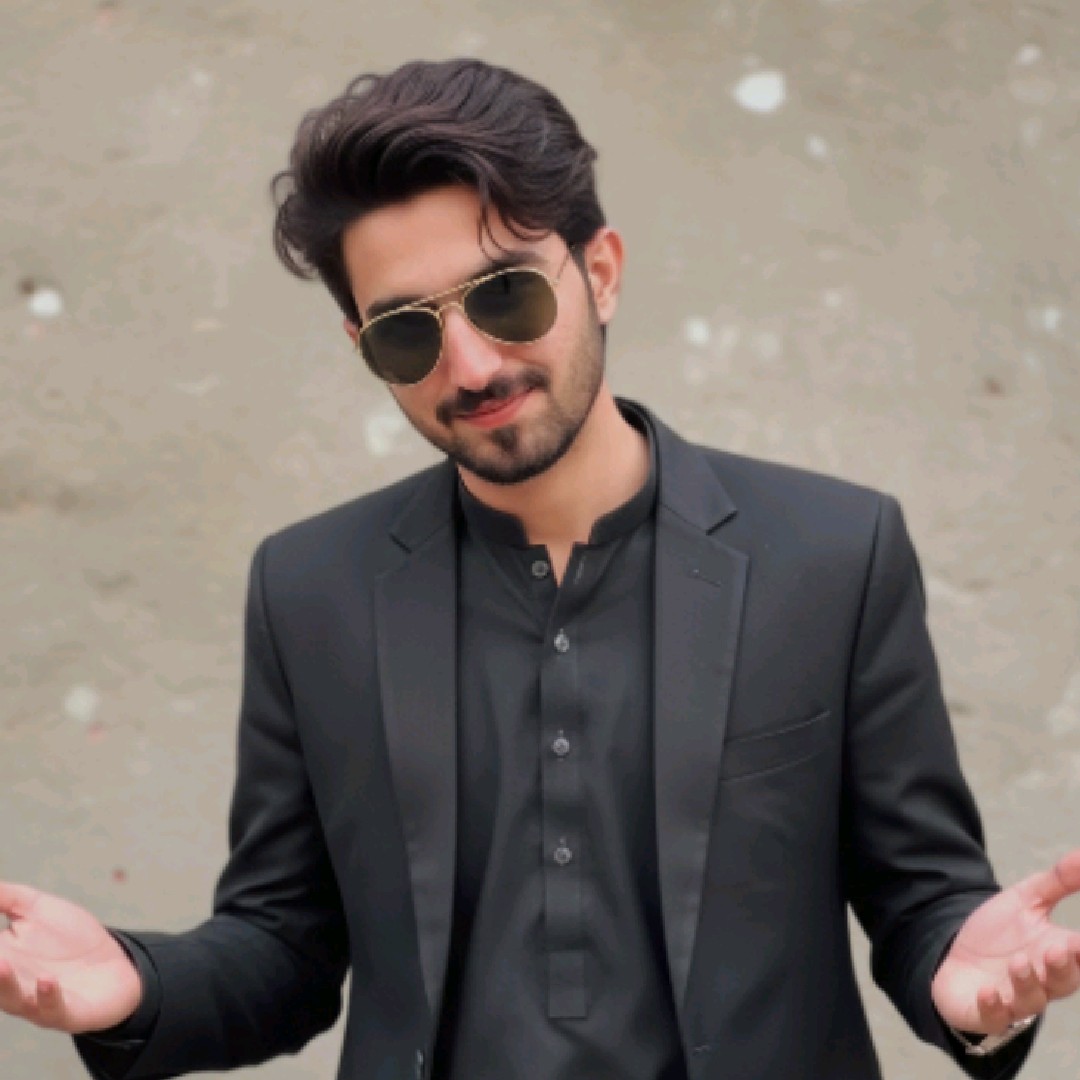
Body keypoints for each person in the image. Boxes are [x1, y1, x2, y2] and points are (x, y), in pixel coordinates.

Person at [1, 58, 1078, 1080]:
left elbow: (922, 901)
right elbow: (283, 946)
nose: (471, 366)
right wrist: (131, 985)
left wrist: (975, 985)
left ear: (599, 272)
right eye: (407, 334)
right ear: (362, 346)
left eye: (506, 296)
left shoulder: (833, 555)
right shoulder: (310, 589)